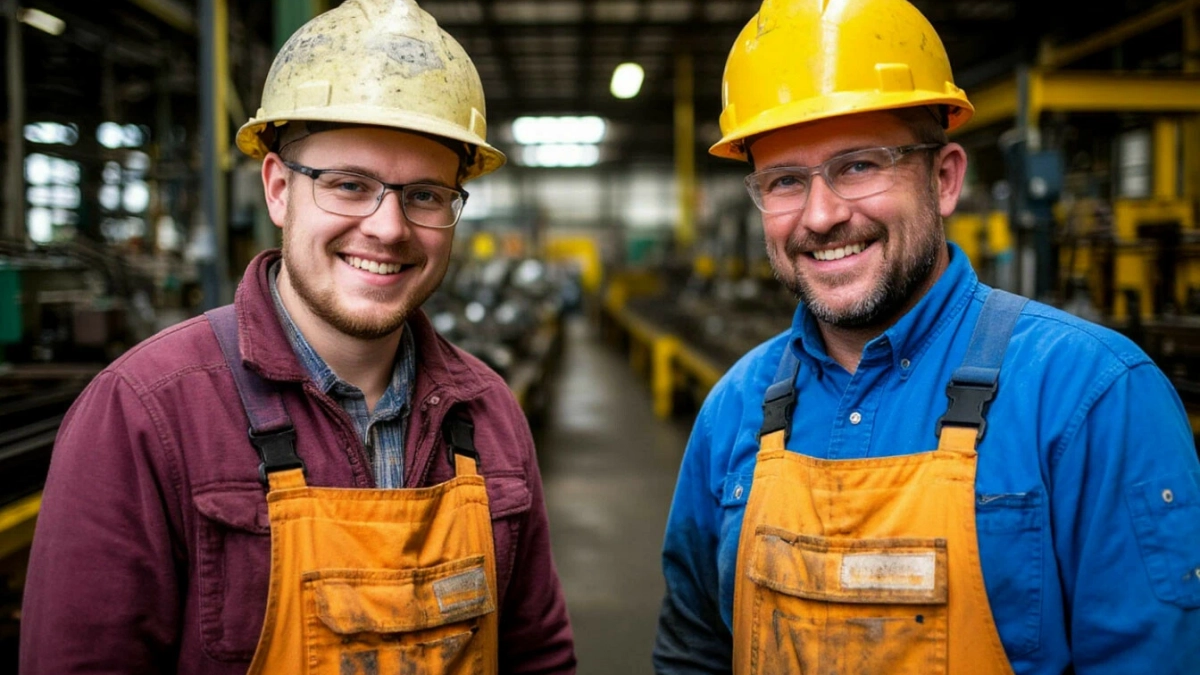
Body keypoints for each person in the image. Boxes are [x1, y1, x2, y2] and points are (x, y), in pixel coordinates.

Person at [20, 1, 576, 673]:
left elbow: (538, 657)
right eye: (349, 185)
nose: (389, 227)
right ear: (279, 189)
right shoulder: (144, 416)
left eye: (426, 195)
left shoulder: (489, 415)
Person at [653, 0, 1200, 673]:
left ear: (944, 179)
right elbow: (693, 652)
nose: (822, 216)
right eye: (786, 180)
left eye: (858, 165)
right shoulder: (734, 407)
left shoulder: (1091, 397)